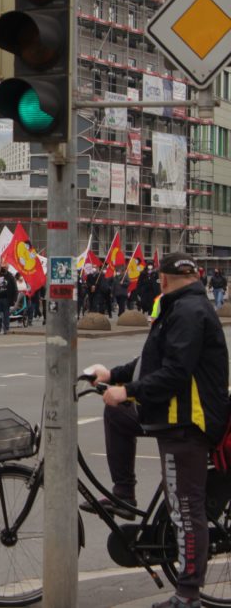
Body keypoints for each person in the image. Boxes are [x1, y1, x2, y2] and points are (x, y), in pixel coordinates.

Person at [86, 253, 229, 608]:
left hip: (186, 422)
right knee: (118, 417)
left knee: (185, 508)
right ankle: (125, 495)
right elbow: (151, 361)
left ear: (163, 279)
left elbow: (175, 372)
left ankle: (188, 594)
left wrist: (128, 392)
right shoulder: (179, 306)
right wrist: (114, 376)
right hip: (170, 413)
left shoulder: (188, 313)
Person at [0, 266, 17, 334]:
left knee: (6, 314)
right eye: (3, 267)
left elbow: (14, 287)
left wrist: (14, 298)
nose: (4, 268)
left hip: (6, 298)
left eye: (5, 267)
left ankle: (6, 328)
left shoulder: (10, 276)